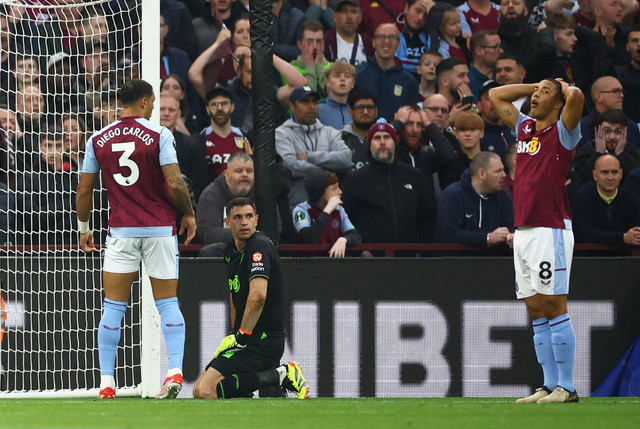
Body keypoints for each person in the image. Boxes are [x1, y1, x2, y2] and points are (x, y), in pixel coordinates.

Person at [76, 79, 197, 399]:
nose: (156, 106)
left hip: (121, 231)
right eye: (154, 101)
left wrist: (84, 227)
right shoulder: (160, 135)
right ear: (144, 102)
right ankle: (174, 372)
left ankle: (106, 381)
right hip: (159, 229)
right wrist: (188, 212)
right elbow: (174, 182)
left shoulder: (98, 138)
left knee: (113, 307)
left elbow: (85, 189)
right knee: (168, 303)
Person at [489, 77, 585, 403]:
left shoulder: (564, 132)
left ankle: (568, 387)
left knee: (554, 305)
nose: (536, 96)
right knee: (534, 308)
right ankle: (548, 385)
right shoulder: (525, 128)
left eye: (545, 93)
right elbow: (495, 94)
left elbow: (578, 97)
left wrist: (563, 86)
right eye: (535, 92)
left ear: (558, 103)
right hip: (525, 229)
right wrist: (534, 84)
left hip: (551, 226)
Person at [192, 197, 310, 399]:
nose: (244, 222)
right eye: (237, 217)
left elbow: (258, 297)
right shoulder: (231, 252)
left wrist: (241, 336)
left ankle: (282, 375)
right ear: (227, 222)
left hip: (263, 341)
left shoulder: (259, 247)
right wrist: (233, 332)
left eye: (248, 216)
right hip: (245, 339)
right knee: (203, 389)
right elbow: (234, 294)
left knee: (204, 390)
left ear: (257, 219)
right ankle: (245, 394)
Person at [341, 122, 436, 245]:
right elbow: (344, 219)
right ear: (369, 145)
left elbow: (428, 216)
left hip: (410, 258)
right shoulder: (355, 179)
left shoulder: (414, 176)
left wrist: (421, 250)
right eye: (376, 138)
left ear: (395, 142)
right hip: (369, 259)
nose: (382, 142)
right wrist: (360, 250)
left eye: (387, 137)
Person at [275, 86, 351, 209]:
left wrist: (309, 157)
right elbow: (289, 166)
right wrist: (327, 173)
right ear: (292, 106)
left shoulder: (330, 132)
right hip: (298, 207)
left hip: (331, 206)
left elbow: (346, 158)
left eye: (314, 102)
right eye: (305, 102)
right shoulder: (281, 133)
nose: (311, 106)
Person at [435, 151, 514, 246]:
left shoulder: (503, 197)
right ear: (481, 174)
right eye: (498, 171)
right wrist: (488, 238)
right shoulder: (452, 195)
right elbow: (450, 234)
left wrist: (511, 238)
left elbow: (511, 228)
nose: (504, 175)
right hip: (458, 259)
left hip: (494, 259)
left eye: (503, 170)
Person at [355, 23, 419, 121]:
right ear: (373, 42)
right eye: (381, 37)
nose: (386, 41)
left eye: (392, 37)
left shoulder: (409, 81)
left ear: (398, 44)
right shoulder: (358, 73)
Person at [571, 153, 640, 245]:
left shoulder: (630, 199)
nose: (610, 177)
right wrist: (622, 237)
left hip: (624, 257)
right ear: (595, 175)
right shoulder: (581, 198)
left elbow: (635, 232)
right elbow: (586, 234)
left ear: (621, 174)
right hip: (589, 257)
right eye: (604, 172)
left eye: (614, 172)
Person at [292, 170, 362, 256]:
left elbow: (355, 236)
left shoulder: (338, 210)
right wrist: (327, 210)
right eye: (334, 188)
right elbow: (310, 237)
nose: (340, 192)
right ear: (320, 191)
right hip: (307, 264)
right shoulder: (301, 210)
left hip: (332, 263)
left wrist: (344, 239)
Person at [196, 151, 254, 250]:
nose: (245, 175)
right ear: (227, 174)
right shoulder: (211, 194)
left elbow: (275, 229)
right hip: (223, 252)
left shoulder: (263, 193)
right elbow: (207, 232)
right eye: (239, 171)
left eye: (249, 171)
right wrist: (245, 234)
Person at [573, 109, 640, 186]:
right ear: (597, 131)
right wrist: (598, 153)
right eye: (607, 131)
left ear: (625, 132)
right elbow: (580, 180)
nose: (612, 137)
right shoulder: (586, 151)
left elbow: (637, 180)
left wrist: (621, 155)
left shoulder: (634, 153)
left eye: (618, 132)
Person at [200, 87, 246, 183]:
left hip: (239, 195)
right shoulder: (200, 139)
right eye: (214, 104)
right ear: (207, 109)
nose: (219, 108)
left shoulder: (244, 137)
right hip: (211, 195)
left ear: (232, 107)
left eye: (224, 103)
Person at [580, 76, 640, 148]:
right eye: (615, 91)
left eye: (622, 92)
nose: (621, 95)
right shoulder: (582, 127)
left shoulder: (631, 127)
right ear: (598, 96)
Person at [323, 0, 373, 66]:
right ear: (335, 17)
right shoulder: (325, 41)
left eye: (354, 12)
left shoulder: (369, 44)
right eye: (344, 11)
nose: (349, 16)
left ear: (360, 17)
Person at [341, 88, 379, 170]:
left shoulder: (384, 138)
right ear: (350, 112)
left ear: (376, 112)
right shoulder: (340, 139)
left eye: (370, 107)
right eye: (360, 107)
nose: (365, 112)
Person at [477, 80, 516, 156]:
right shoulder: (476, 134)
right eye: (488, 98)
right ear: (479, 105)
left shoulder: (515, 128)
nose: (493, 102)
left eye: (498, 97)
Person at [317, 61, 356, 129]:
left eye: (347, 76)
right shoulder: (317, 110)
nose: (342, 79)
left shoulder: (357, 111)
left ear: (353, 83)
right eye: (336, 76)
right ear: (327, 82)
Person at [468, 31, 502, 101]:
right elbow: (474, 109)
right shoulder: (467, 80)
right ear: (479, 50)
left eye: (500, 46)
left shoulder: (502, 74)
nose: (501, 51)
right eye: (495, 47)